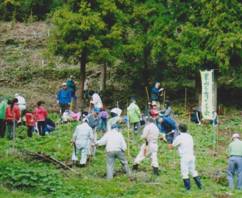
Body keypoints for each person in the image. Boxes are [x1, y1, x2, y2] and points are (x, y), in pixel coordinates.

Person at [171, 124, 202, 191]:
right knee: (193, 171)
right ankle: (200, 186)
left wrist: (173, 136)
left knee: (184, 173)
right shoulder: (190, 136)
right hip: (191, 156)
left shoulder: (179, 137)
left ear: (179, 130)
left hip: (184, 157)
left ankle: (188, 189)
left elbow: (173, 145)